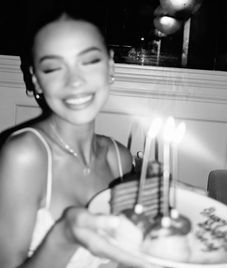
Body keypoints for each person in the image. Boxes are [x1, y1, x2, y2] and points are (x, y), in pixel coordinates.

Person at [0, 5, 154, 268]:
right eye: (52, 68)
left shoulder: (119, 158)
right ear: (36, 80)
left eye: (90, 61)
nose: (75, 82)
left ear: (110, 67)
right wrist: (64, 236)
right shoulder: (24, 156)